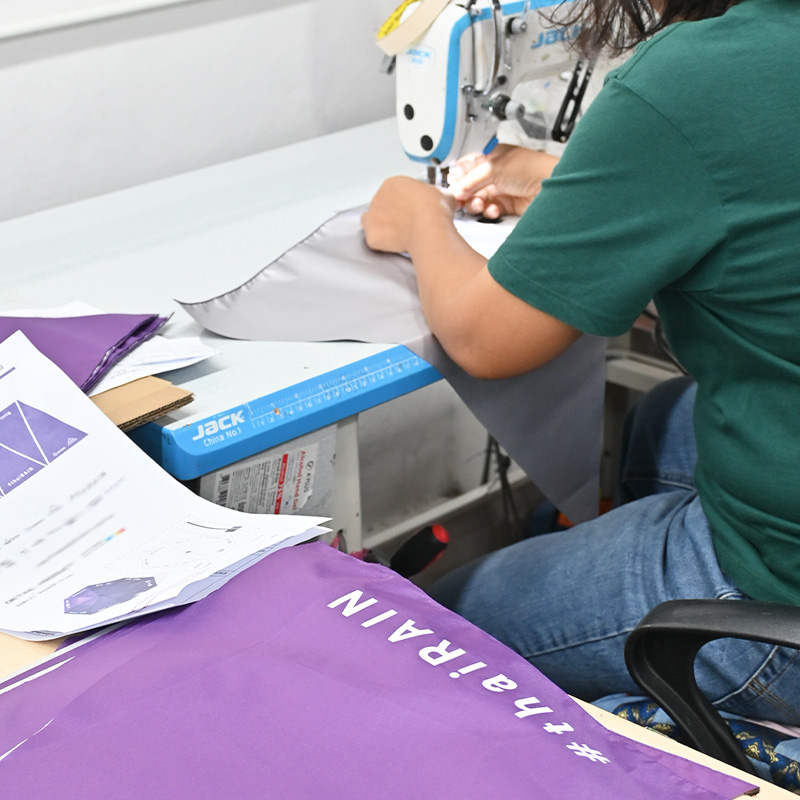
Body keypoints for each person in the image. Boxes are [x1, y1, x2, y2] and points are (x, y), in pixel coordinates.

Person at [361, 0, 800, 723]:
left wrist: (419, 219)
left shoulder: (700, 73)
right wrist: (585, 186)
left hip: (783, 603)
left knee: (426, 625)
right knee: (659, 418)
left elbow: (484, 338)